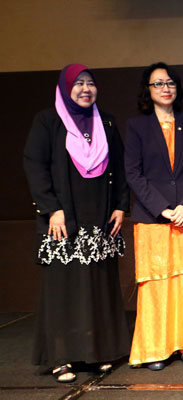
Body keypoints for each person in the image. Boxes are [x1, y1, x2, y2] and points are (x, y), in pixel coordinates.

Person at [23, 64, 130, 383]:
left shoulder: (106, 122)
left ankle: (96, 353)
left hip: (100, 216)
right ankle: (61, 358)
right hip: (63, 219)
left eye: (91, 83)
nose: (86, 89)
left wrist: (122, 207)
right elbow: (34, 166)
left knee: (96, 288)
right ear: (65, 88)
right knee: (64, 289)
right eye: (78, 84)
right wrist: (50, 208)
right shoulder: (47, 121)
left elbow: (121, 168)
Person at [125, 62, 183, 371]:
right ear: (148, 91)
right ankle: (157, 349)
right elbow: (133, 174)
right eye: (158, 83)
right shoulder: (136, 126)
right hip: (153, 218)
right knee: (157, 285)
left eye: (170, 82)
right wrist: (162, 207)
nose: (165, 88)